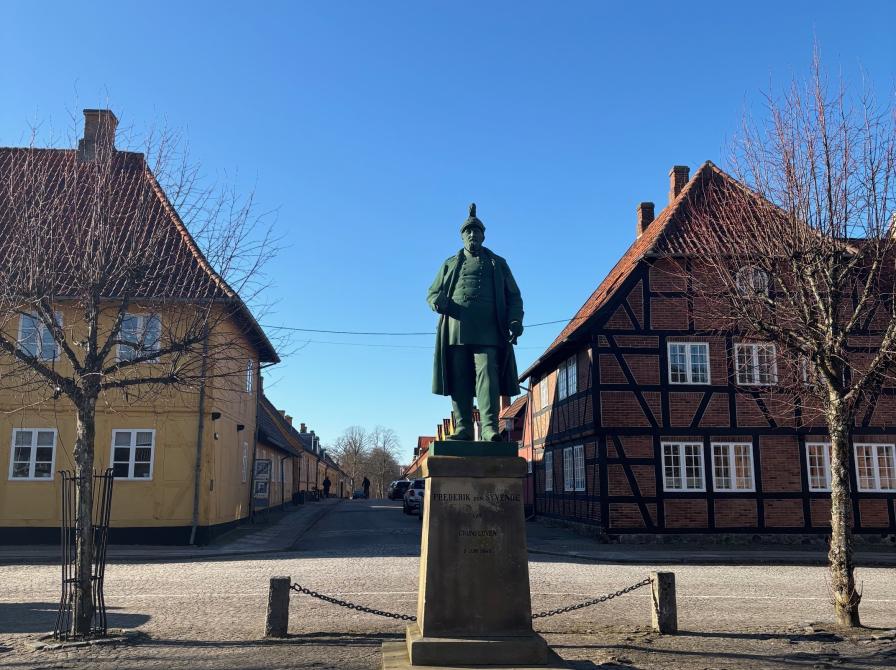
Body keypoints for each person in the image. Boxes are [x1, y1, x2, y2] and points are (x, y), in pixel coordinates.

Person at [427, 204, 524, 441]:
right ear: (462, 236)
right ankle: (463, 429)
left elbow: (514, 296)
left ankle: (490, 427)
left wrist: (514, 320)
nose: (472, 235)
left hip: (489, 328)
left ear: (483, 235)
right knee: (460, 376)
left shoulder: (497, 263)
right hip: (456, 328)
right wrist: (436, 302)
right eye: (468, 232)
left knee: (488, 375)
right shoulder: (450, 263)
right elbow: (431, 293)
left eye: (476, 231)